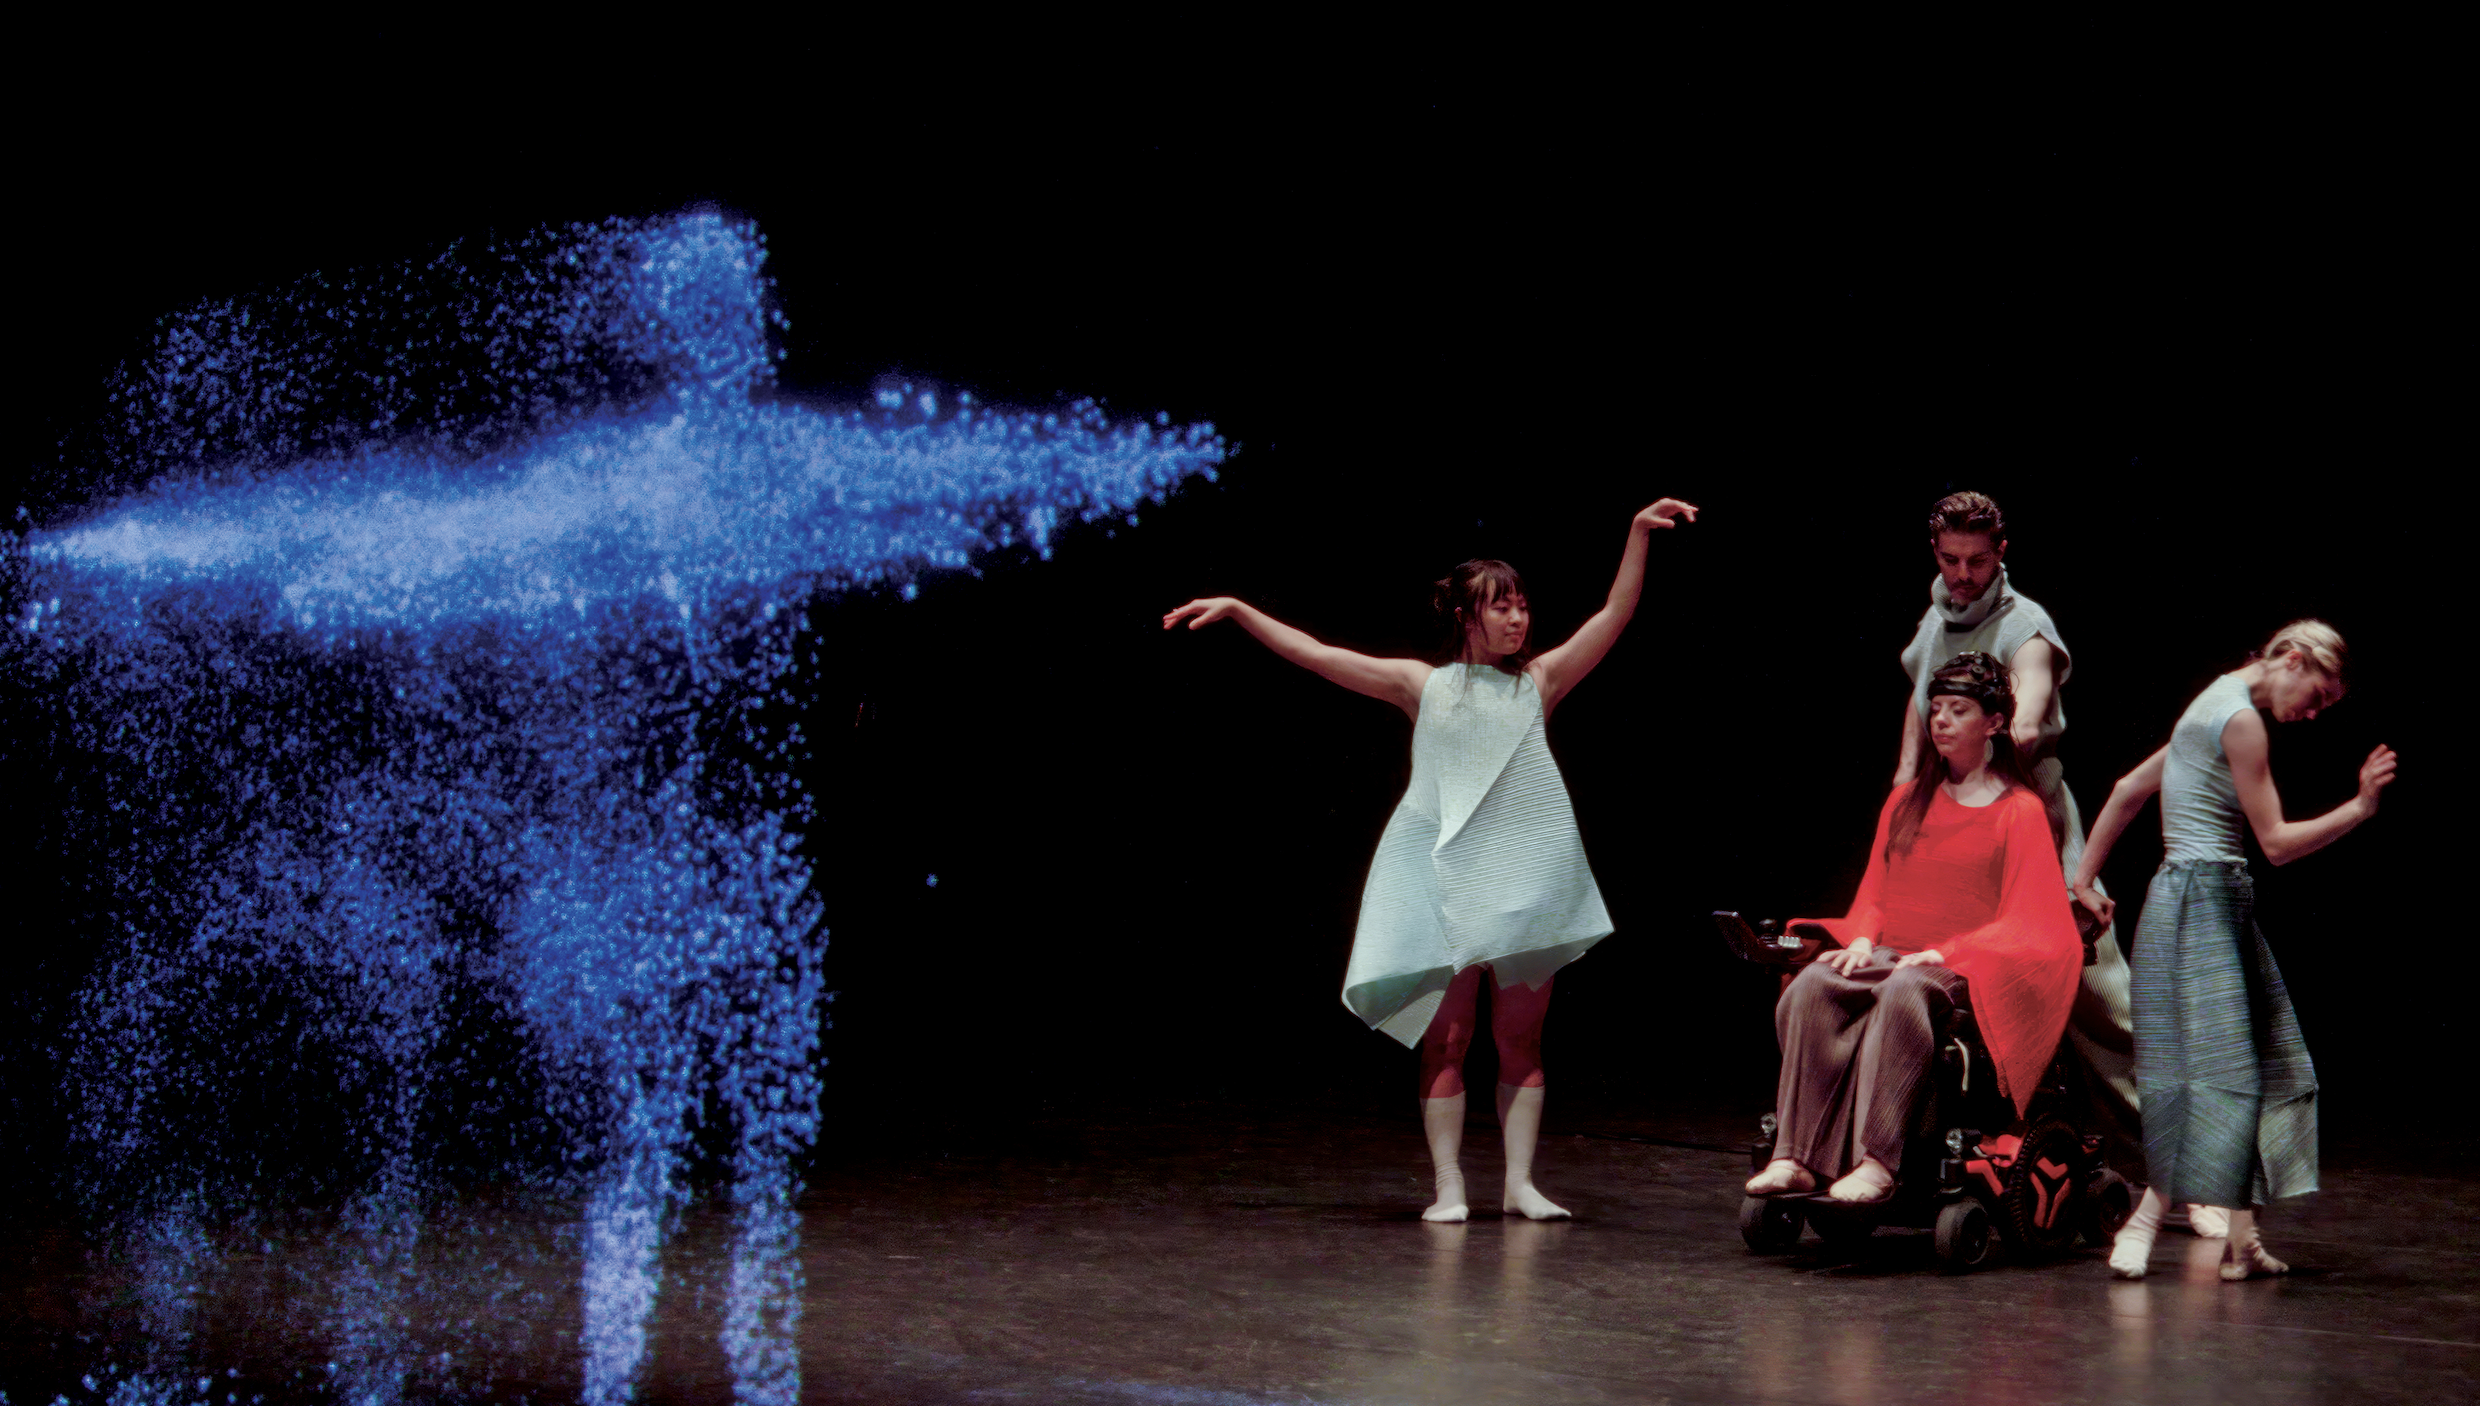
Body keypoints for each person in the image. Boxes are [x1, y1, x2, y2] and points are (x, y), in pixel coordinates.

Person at [1163, 497, 1698, 1222]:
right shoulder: (1425, 685)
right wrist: (1240, 610)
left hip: (1521, 883)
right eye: (1499, 607)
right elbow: (1320, 656)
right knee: (1448, 1037)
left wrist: (1636, 533)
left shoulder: (1538, 684)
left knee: (1523, 1035)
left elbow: (1614, 615)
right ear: (1465, 616)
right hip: (1447, 883)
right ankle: (1449, 1184)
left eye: (1522, 605)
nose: (1517, 619)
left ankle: (1519, 1184)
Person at [2073, 621, 2395, 1281]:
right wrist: (2360, 808)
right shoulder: (2239, 720)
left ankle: (2241, 1236)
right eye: (2319, 693)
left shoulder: (2209, 704)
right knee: (2224, 1077)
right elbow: (2275, 842)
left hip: (2198, 905)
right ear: (2294, 658)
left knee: (2251, 1068)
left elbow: (2129, 790)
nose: (2313, 711)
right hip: (2201, 905)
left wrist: (2083, 879)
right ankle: (2144, 1220)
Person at [1889, 493, 2174, 1219]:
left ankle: (2186, 1172)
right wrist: (1903, 798)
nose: (1962, 575)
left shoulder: (2026, 627)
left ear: (2002, 551)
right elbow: (1918, 710)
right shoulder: (1935, 620)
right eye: (1950, 560)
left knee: (2104, 1001)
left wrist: (2003, 735)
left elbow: (2031, 705)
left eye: (1977, 562)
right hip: (1956, 836)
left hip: (2035, 829)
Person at [1748, 652, 2084, 1203]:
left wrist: (1944, 952)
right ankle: (1796, 1157)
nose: (1942, 721)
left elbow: (2029, 918)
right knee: (1814, 983)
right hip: (1892, 951)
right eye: (1936, 710)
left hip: (1962, 966)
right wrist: (1859, 937)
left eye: (1959, 710)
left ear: (1994, 723)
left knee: (1904, 990)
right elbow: (1876, 894)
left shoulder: (2018, 810)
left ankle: (1878, 1162)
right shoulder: (1906, 800)